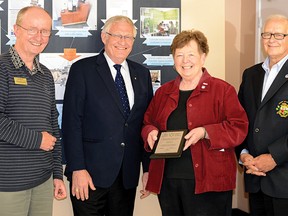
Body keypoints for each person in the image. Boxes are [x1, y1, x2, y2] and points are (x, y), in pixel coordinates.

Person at [140, 29, 249, 216]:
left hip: (210, 183)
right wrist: (149, 131)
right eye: (179, 55)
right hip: (168, 181)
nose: (185, 61)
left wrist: (206, 132)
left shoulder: (222, 90)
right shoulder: (163, 93)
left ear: (203, 57)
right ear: (173, 60)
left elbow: (239, 127)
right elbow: (147, 122)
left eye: (191, 54)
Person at [62, 15, 153, 216]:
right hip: (88, 175)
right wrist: (77, 168)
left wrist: (147, 169)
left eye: (128, 37)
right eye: (118, 35)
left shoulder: (142, 74)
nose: (123, 42)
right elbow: (71, 122)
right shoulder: (82, 70)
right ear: (104, 37)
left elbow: (147, 125)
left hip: (126, 175)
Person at [0, 6, 67, 216]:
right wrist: (36, 140)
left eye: (45, 31)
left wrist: (57, 174)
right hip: (8, 184)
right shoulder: (2, 68)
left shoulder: (45, 75)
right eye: (32, 29)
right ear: (16, 30)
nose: (39, 37)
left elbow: (53, 127)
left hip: (43, 181)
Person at [237, 14, 288, 216]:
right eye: (267, 34)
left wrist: (275, 156)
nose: (271, 39)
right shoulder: (251, 74)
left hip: (284, 179)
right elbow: (239, 120)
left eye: (279, 34)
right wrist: (243, 154)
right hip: (254, 176)